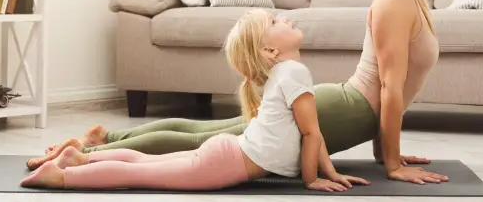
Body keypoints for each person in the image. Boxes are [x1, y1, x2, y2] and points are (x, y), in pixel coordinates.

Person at [28, 0, 448, 186]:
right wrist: (391, 164)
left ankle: (101, 141)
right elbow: (389, 89)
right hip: (345, 110)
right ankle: (90, 155)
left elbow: (394, 87)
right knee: (212, 139)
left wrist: (383, 151)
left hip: (350, 109)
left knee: (211, 134)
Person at [21, 10, 369, 192]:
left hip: (228, 153)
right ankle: (62, 177)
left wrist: (331, 172)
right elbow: (311, 135)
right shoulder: (295, 73)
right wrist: (313, 180)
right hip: (226, 161)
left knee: (145, 164)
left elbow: (313, 133)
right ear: (270, 50)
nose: (286, 18)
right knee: (141, 174)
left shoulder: (286, 72)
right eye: (276, 21)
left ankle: (78, 160)